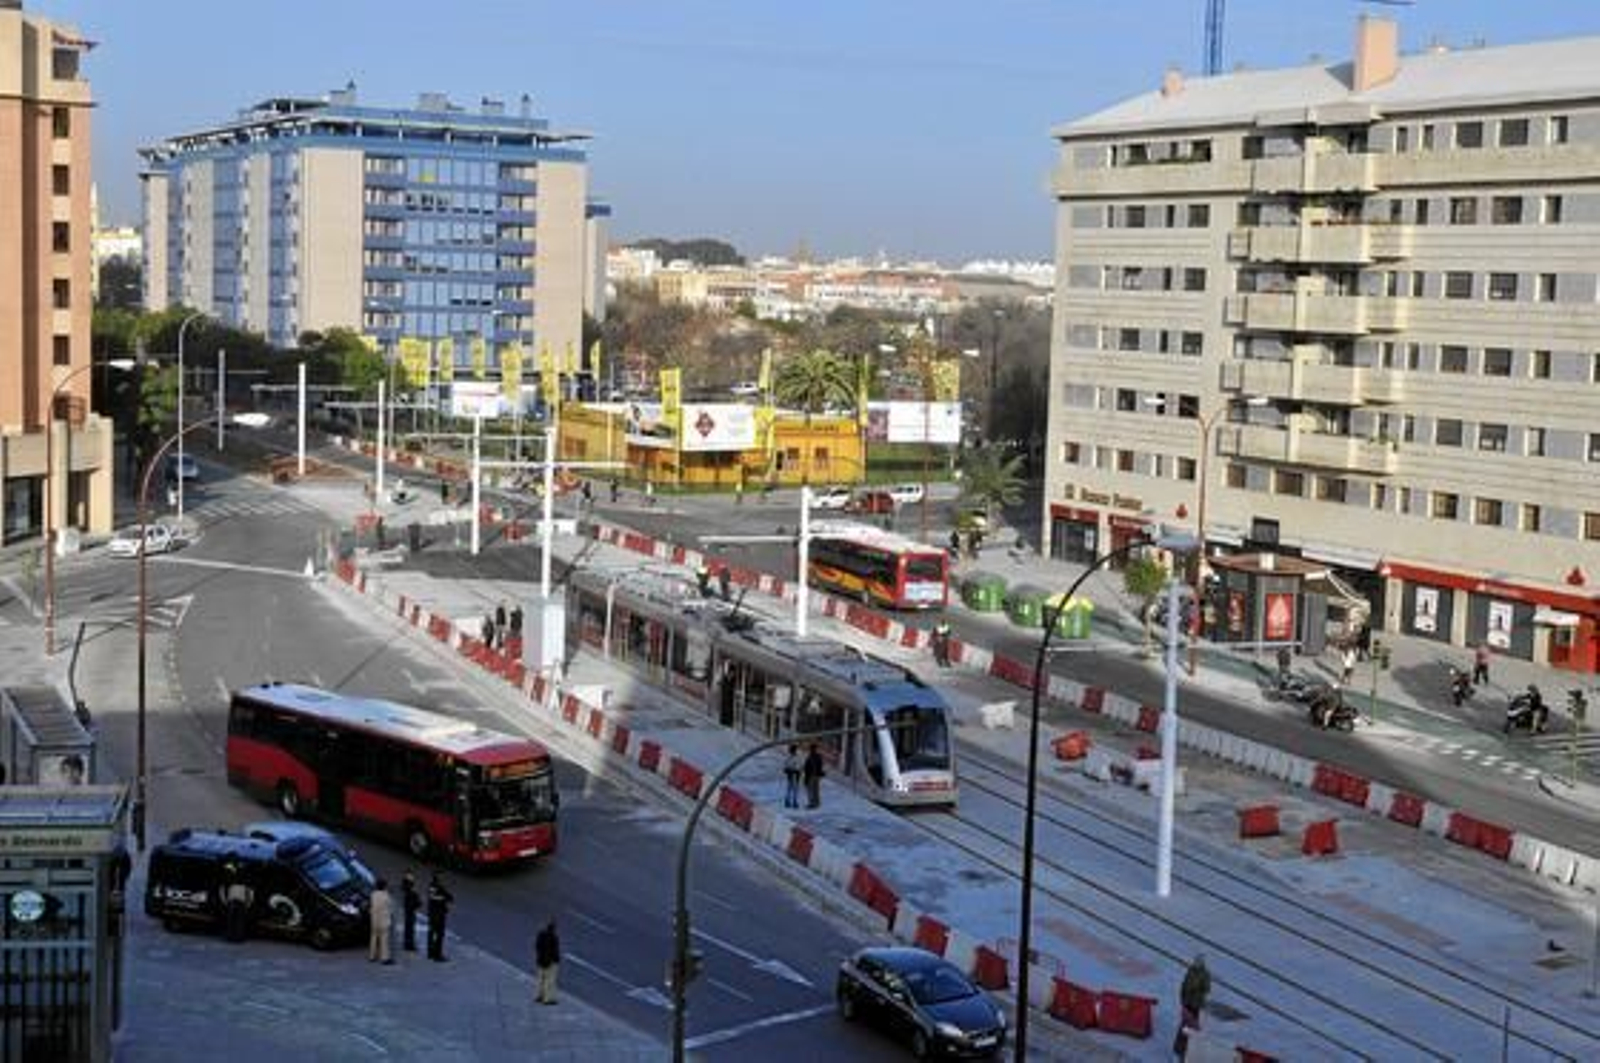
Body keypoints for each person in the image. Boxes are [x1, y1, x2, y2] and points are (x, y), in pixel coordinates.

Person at [1174, 955, 1211, 1059]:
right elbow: (1184, 984)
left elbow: (1207, 989)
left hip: (1195, 1004)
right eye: (1195, 962)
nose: (1196, 964)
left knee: (1191, 1026)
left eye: (1198, 962)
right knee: (1184, 1025)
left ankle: (1187, 1048)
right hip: (1187, 1002)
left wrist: (1196, 991)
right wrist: (1182, 997)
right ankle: (1179, 1047)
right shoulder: (1190, 971)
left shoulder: (1205, 974)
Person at [426, 872, 454, 961]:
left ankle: (430, 952)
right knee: (439, 935)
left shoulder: (431, 886)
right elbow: (448, 897)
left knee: (431, 933)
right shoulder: (439, 887)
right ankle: (437, 955)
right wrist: (445, 899)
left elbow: (433, 897)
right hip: (439, 914)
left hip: (432, 913)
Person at [222, 865, 254, 944]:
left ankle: (233, 936)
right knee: (238, 921)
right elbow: (250, 893)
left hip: (235, 901)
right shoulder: (244, 881)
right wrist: (248, 903)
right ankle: (236, 937)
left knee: (234, 920)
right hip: (238, 901)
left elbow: (224, 890)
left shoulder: (232, 880)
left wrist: (226, 901)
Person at [535, 920, 561, 1004]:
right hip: (551, 962)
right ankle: (547, 999)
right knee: (549, 980)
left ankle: (539, 996)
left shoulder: (540, 935)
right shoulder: (554, 937)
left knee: (540, 979)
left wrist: (539, 956)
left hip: (540, 960)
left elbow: (537, 946)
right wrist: (556, 959)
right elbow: (555, 950)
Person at [369, 877, 394, 965]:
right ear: (384, 886)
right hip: (384, 919)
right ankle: (385, 958)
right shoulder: (386, 895)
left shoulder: (373, 894)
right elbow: (390, 907)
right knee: (384, 940)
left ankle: (372, 956)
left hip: (374, 919)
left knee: (374, 937)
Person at [401, 870, 421, 952]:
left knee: (409, 926)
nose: (412, 876)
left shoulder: (409, 884)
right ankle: (409, 945)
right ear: (407, 875)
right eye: (411, 875)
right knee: (410, 927)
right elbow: (411, 895)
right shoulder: (408, 885)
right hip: (410, 908)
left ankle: (408, 943)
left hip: (410, 907)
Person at [802, 744, 825, 810]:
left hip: (811, 775)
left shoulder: (810, 757)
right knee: (816, 790)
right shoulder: (818, 757)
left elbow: (806, 768)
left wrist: (806, 777)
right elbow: (820, 766)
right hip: (817, 775)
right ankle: (817, 802)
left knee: (811, 789)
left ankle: (812, 803)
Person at [782, 745, 803, 809]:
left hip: (796, 773)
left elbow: (800, 764)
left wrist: (799, 770)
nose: (793, 751)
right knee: (790, 787)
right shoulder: (789, 757)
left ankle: (794, 801)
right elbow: (786, 764)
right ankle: (788, 800)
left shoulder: (797, 757)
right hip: (791, 773)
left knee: (795, 788)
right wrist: (787, 769)